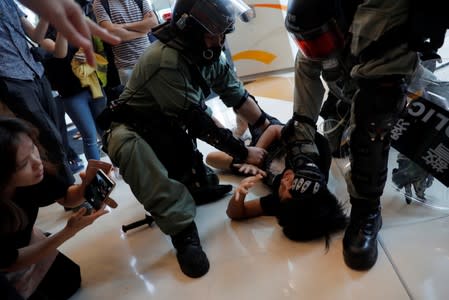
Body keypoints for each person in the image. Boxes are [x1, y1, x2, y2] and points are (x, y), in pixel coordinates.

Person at [101, 0, 283, 278]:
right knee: (136, 155)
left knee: (201, 180)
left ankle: (193, 185)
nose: (219, 40)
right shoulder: (166, 61)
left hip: (169, 122)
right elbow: (197, 121)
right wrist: (243, 153)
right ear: (190, 31)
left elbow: (236, 94)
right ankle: (183, 233)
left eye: (223, 33)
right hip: (132, 128)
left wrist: (266, 125)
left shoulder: (208, 51)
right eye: (213, 34)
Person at [282, 0, 447, 271]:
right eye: (307, 43)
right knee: (335, 142)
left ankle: (368, 208)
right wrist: (304, 161)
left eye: (321, 40)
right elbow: (302, 119)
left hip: (392, 101)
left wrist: (418, 161)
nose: (317, 50)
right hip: (348, 103)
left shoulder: (382, 36)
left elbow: (434, 101)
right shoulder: (310, 53)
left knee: (377, 123)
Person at [0, 116, 108, 299]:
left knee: (70, 279)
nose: (37, 162)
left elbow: (66, 197)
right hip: (7, 261)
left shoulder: (34, 174)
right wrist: (68, 231)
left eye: (34, 148)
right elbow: (10, 261)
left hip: (25, 241)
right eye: (24, 163)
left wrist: (85, 187)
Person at [207, 124, 347, 245]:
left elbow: (235, 213)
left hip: (257, 166)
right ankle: (242, 125)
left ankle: (242, 137)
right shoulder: (316, 156)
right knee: (250, 113)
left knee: (212, 159)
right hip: (269, 135)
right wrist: (250, 154)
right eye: (292, 183)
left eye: (282, 190)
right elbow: (274, 130)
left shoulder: (285, 204)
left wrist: (240, 193)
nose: (284, 182)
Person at [0, 0, 77, 186]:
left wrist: (46, 13)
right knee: (48, 135)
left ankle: (67, 189)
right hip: (10, 77)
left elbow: (36, 36)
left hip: (35, 71)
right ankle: (69, 190)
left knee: (58, 130)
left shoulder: (9, 3)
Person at [40, 25, 107, 162]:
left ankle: (120, 166)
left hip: (92, 85)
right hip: (71, 93)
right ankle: (98, 177)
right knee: (89, 137)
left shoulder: (76, 26)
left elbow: (96, 52)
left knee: (106, 131)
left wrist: (89, 56)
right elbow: (59, 53)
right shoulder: (45, 36)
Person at [18, 0, 121, 67]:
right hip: (72, 89)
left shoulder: (85, 8)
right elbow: (59, 53)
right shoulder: (49, 34)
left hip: (96, 82)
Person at [93, 0, 159, 85]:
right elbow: (112, 34)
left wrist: (123, 26)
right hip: (127, 68)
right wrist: (143, 31)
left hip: (152, 61)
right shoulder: (100, 2)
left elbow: (153, 24)